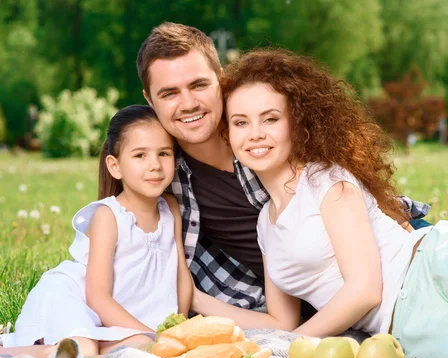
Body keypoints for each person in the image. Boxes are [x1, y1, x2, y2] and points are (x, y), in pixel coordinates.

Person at [188, 49, 448, 358]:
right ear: (228, 133)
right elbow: (281, 321)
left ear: (296, 122)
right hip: (404, 324)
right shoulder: (265, 224)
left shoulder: (325, 180)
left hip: (433, 264)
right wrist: (195, 299)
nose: (256, 134)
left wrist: (290, 350)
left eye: (270, 119)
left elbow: (364, 291)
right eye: (241, 123)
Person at [135, 22, 431, 316]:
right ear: (150, 100)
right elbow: (116, 236)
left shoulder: (272, 134)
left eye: (199, 85)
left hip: (389, 257)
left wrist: (411, 240)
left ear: (221, 81)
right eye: (169, 93)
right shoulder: (160, 173)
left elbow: (363, 200)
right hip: (319, 297)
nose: (188, 103)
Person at [0, 105, 193, 358]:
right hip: (72, 299)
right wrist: (157, 337)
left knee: (141, 346)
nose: (155, 165)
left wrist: (176, 328)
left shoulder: (170, 208)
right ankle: (13, 354)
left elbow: (182, 276)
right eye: (140, 156)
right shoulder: (109, 216)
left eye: (164, 153)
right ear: (115, 166)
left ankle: (76, 354)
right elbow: (98, 298)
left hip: (109, 319)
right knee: (85, 349)